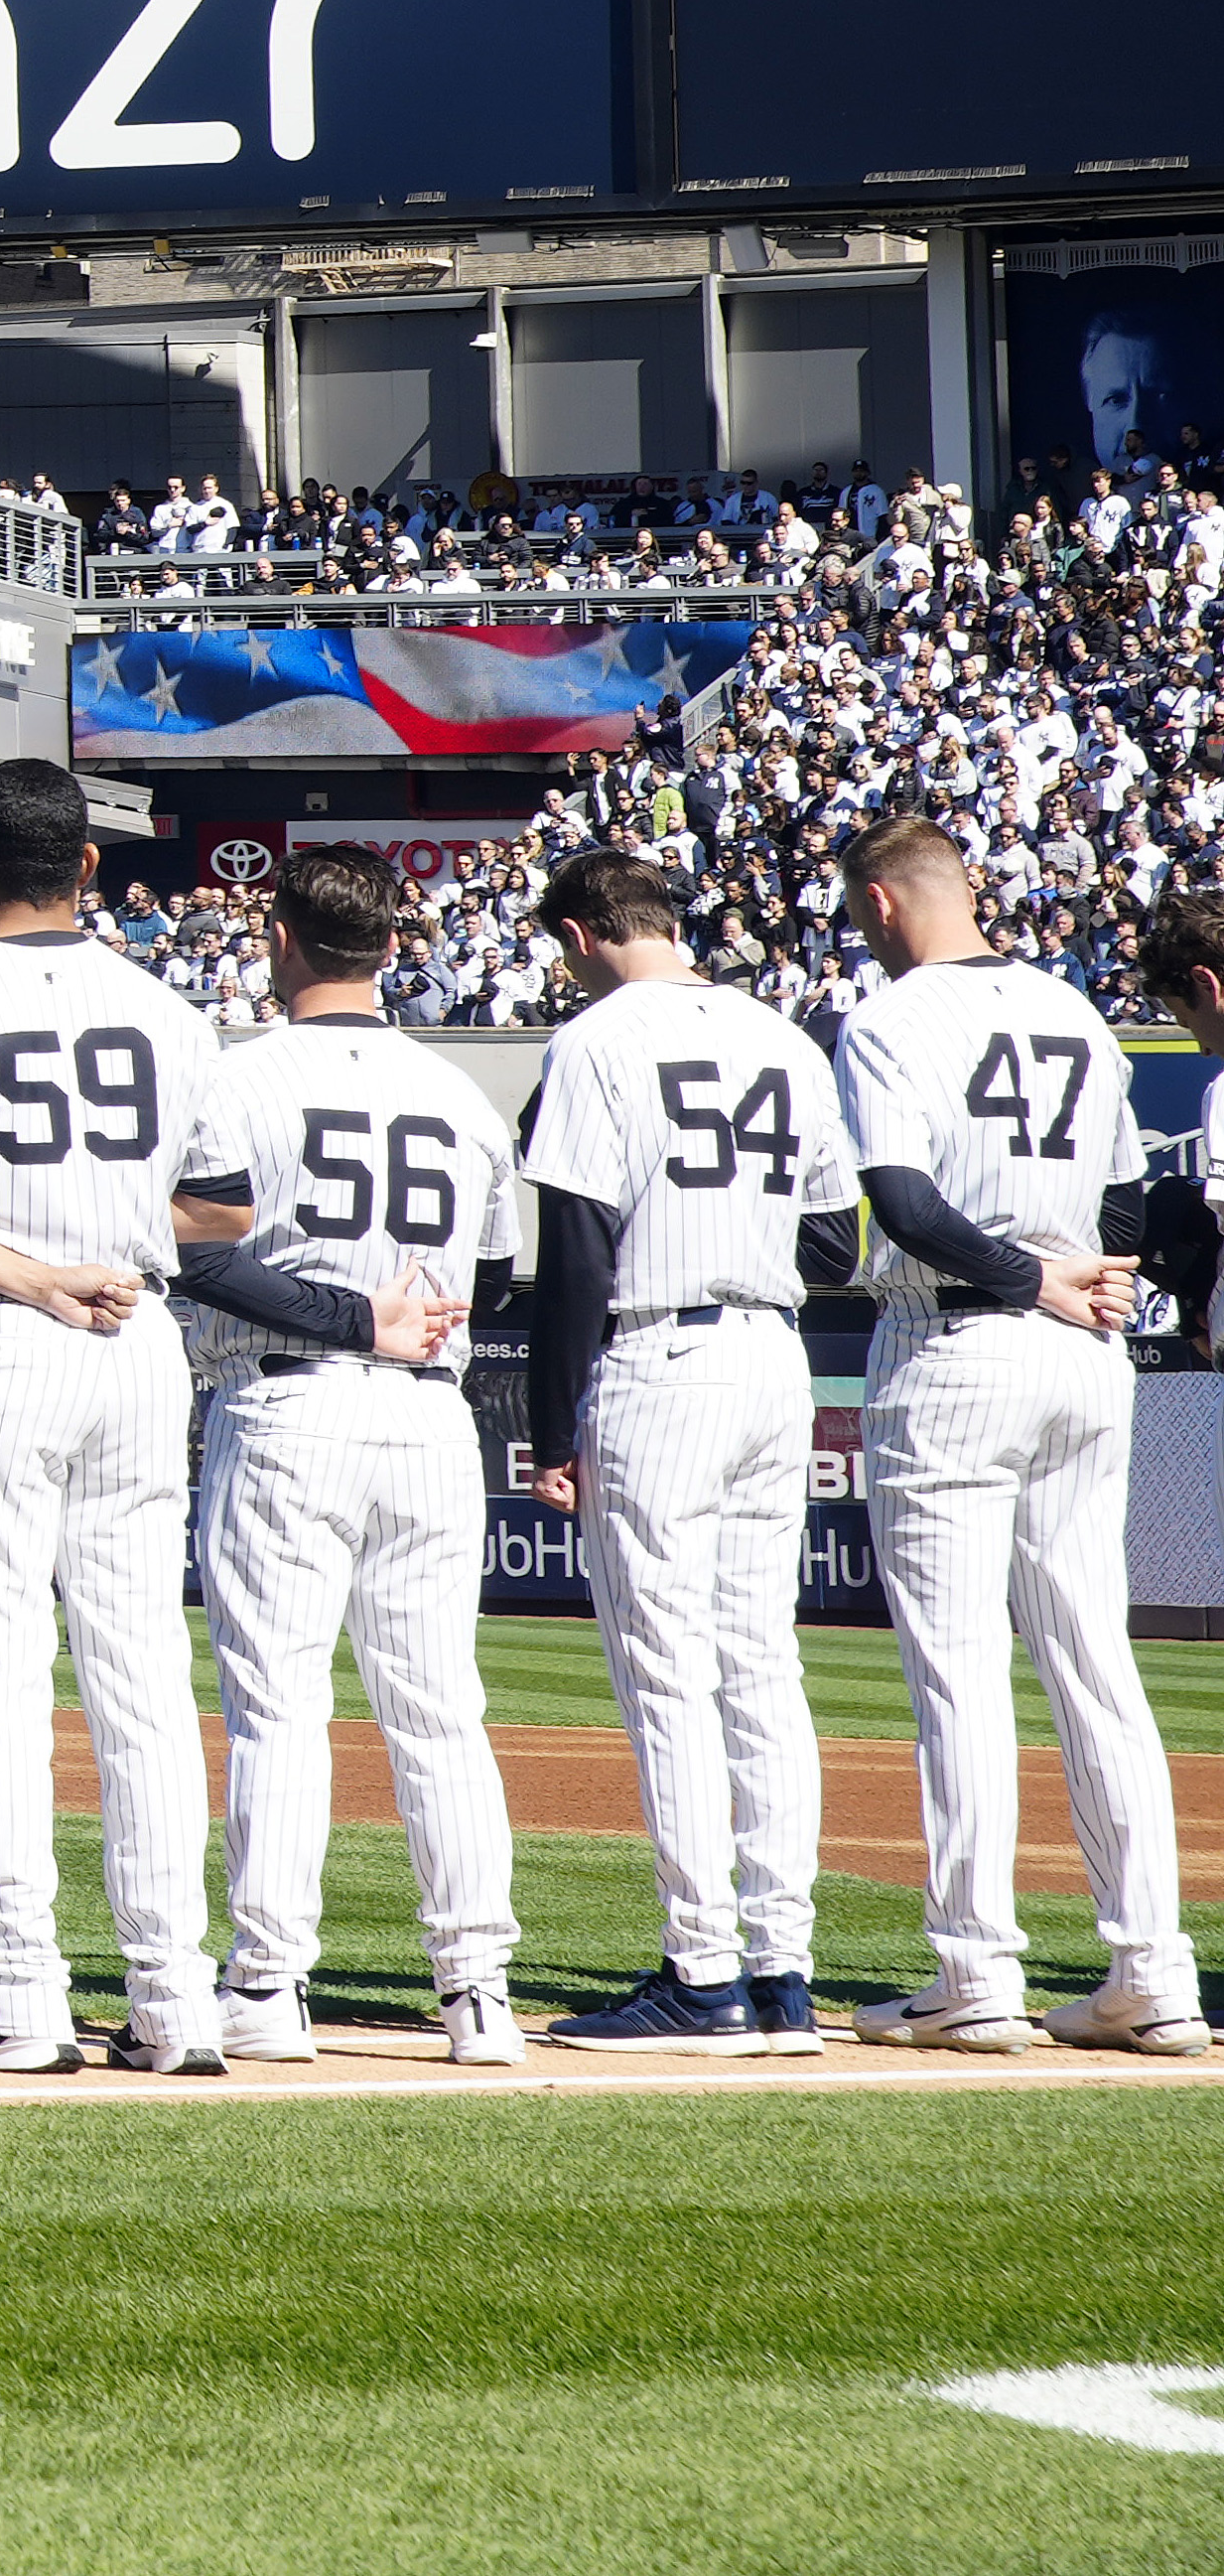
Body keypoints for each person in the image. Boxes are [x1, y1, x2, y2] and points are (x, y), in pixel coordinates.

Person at [817, 816, 1190, 2057]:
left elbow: (902, 1201)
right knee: (1094, 1661)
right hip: (1083, 1348)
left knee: (961, 1670)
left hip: (960, 1342)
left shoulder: (889, 1015)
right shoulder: (1073, 1010)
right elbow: (1129, 1198)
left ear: (880, 902)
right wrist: (1080, 1277)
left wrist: (1027, 1277)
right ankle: (1153, 1971)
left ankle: (974, 1969)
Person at [0, 753, 232, 2076]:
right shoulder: (168, 1007)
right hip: (134, 1332)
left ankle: (21, 1991)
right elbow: (226, 1205)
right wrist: (121, 1223)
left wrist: (39, 1260)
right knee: (140, 1673)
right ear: (90, 864)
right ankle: (174, 1994)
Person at [164, 843, 525, 2069]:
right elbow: (494, 1280)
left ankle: (269, 1985)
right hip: (428, 1415)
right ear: (390, 944)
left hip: (288, 1405)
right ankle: (477, 1993)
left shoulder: (237, 1076)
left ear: (279, 936)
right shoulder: (458, 1095)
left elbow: (197, 1254)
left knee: (278, 1706)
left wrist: (342, 1313)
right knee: (440, 1712)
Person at [516, 841, 855, 2054]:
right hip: (773, 1354)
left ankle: (701, 1971)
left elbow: (575, 1252)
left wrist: (549, 1428)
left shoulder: (594, 1039)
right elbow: (835, 1249)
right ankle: (782, 1973)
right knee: (759, 1666)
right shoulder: (782, 1037)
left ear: (579, 936)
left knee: (667, 1675)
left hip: (660, 1354)